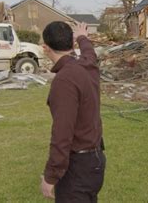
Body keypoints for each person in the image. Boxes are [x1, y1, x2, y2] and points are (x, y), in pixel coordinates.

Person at [40, 21, 105, 202]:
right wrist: (82, 37)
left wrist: (50, 176)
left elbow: (62, 133)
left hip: (78, 169)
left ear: (45, 48)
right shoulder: (88, 65)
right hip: (95, 163)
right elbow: (89, 52)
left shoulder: (64, 80)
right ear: (71, 43)